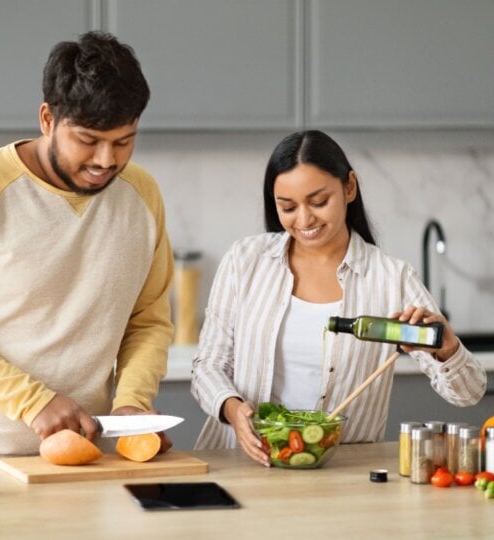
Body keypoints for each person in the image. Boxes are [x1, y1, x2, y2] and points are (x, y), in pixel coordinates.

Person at [0, 31, 174, 460]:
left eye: (124, 141)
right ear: (47, 119)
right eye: (87, 140)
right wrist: (34, 401)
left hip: (80, 455)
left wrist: (133, 402)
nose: (106, 160)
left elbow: (148, 319)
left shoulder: (142, 195)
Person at [190, 130, 486, 466]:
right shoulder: (245, 261)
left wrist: (447, 350)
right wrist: (231, 407)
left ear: (349, 187)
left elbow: (469, 393)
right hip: (242, 462)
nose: (304, 220)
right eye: (287, 207)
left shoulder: (392, 279)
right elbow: (208, 366)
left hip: (343, 473)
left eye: (318, 202)